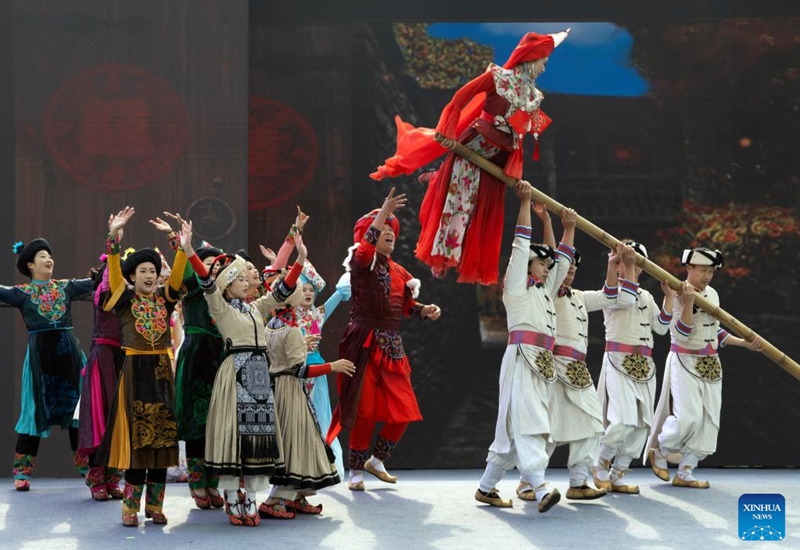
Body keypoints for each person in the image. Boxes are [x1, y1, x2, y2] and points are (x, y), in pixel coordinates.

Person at [371, 30, 569, 285]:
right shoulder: (497, 77)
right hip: (474, 148)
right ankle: (441, 256)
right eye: (544, 62)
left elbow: (520, 137)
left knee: (482, 213)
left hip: (497, 160)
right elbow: (461, 97)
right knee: (459, 204)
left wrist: (515, 174)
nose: (543, 69)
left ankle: (439, 179)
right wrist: (447, 131)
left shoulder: (533, 97)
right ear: (532, 58)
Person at [180, 218, 306, 526]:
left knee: (256, 438)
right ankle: (231, 496)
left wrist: (300, 258)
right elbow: (206, 282)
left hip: (258, 376)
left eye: (246, 280)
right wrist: (187, 248)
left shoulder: (255, 308)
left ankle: (251, 496)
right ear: (228, 283)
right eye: (240, 279)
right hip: (234, 372)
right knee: (233, 435)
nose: (247, 283)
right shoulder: (220, 307)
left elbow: (282, 290)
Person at [327, 188, 442, 491]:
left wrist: (424, 310)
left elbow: (405, 306)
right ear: (370, 234)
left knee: (405, 411)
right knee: (363, 410)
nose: (390, 232)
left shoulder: (401, 273)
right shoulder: (361, 263)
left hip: (392, 347)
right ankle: (355, 469)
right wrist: (382, 212)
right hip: (363, 342)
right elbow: (363, 251)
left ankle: (377, 460)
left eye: (392, 229)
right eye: (383, 229)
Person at [474, 181, 574, 513]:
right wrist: (525, 202)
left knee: (518, 429)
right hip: (521, 359)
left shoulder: (545, 291)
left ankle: (487, 488)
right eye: (541, 263)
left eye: (547, 265)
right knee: (529, 421)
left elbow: (560, 260)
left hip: (544, 363)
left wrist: (562, 225)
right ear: (529, 265)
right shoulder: (515, 288)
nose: (547, 268)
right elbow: (520, 244)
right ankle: (540, 486)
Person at [96, 206, 187, 527]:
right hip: (135, 374)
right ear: (133, 276)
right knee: (138, 442)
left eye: (152, 270)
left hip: (163, 372)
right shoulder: (124, 299)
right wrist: (114, 240)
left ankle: (156, 506)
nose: (149, 275)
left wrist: (176, 241)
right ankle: (131, 508)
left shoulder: (165, 298)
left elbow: (178, 274)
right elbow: (115, 274)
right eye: (143, 271)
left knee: (162, 441)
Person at [647, 247, 764, 488]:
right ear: (689, 269)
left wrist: (742, 343)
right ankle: (660, 450)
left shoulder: (713, 294)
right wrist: (688, 303)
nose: (707, 276)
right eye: (702, 270)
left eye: (711, 271)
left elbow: (715, 331)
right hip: (684, 359)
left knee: (708, 421)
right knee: (688, 417)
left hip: (711, 363)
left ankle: (686, 471)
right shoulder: (677, 291)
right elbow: (680, 332)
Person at [539, 240, 631, 501]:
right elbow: (557, 268)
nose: (570, 271)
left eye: (574, 268)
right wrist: (562, 228)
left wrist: (612, 266)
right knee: (550, 428)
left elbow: (610, 296)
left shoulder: (579, 297)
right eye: (566, 267)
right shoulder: (547, 292)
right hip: (554, 367)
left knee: (593, 424)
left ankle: (578, 482)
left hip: (579, 371)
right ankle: (529, 481)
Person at [1, 238, 93, 491]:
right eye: (42, 256)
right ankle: (22, 470)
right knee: (33, 411)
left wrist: (114, 251)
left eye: (50, 255)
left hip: (70, 357)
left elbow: (99, 282)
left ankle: (88, 468)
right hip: (40, 360)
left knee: (77, 413)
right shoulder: (21, 293)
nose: (49, 259)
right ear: (30, 264)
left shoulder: (66, 287)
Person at [592, 240, 675, 495]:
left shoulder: (647, 296)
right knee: (623, 420)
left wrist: (670, 296)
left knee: (642, 424)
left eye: (635, 264)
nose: (629, 267)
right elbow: (625, 301)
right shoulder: (611, 292)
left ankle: (618, 474)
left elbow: (661, 327)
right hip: (618, 361)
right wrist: (622, 263)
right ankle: (601, 461)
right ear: (615, 266)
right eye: (623, 263)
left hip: (645, 365)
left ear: (642, 268)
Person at [261, 293, 353, 519]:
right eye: (301, 291)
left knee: (299, 442)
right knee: (297, 443)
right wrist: (332, 366)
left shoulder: (273, 325)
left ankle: (298, 495)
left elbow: (278, 357)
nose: (305, 294)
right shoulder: (291, 328)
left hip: (280, 388)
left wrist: (301, 345)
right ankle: (275, 500)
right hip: (291, 390)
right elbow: (298, 370)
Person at [295, 259, 351, 477]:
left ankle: (325, 464)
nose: (308, 293)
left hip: (318, 372)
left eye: (311, 290)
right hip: (295, 372)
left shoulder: (317, 314)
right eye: (303, 289)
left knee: (321, 417)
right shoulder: (285, 316)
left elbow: (337, 296)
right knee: (298, 419)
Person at [77, 255, 125, 500]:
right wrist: (113, 247)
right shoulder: (102, 294)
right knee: (100, 419)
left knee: (118, 421)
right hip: (102, 358)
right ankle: (97, 478)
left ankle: (113, 478)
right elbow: (108, 289)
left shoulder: (129, 297)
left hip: (122, 358)